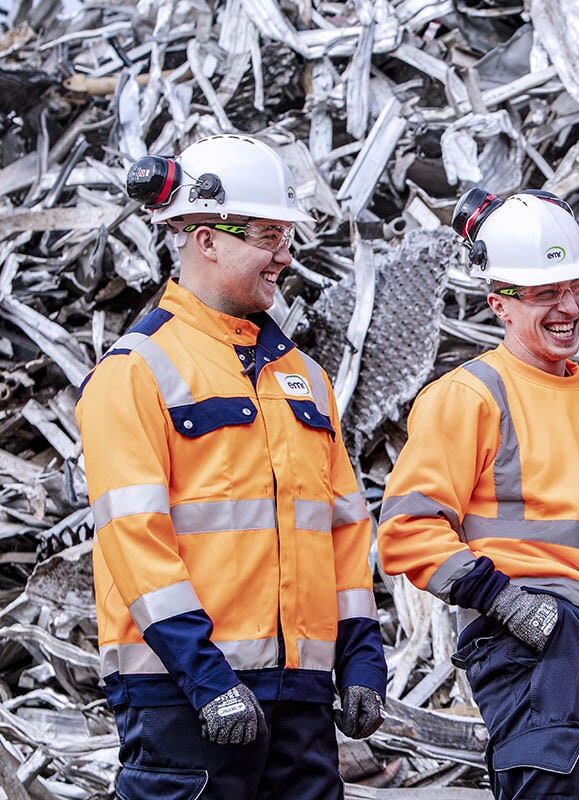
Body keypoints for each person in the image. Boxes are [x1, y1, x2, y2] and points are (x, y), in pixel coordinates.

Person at [77, 133, 388, 799]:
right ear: (205, 238)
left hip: (299, 696)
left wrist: (360, 655)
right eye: (267, 235)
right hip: (180, 697)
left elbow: (341, 526)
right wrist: (207, 679)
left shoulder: (304, 377)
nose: (286, 254)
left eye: (285, 235)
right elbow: (137, 544)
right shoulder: (135, 372)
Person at [376, 188, 579, 799]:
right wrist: (504, 604)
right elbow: (405, 531)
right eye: (544, 293)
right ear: (499, 303)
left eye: (575, 287)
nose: (569, 307)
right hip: (527, 635)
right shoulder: (471, 395)